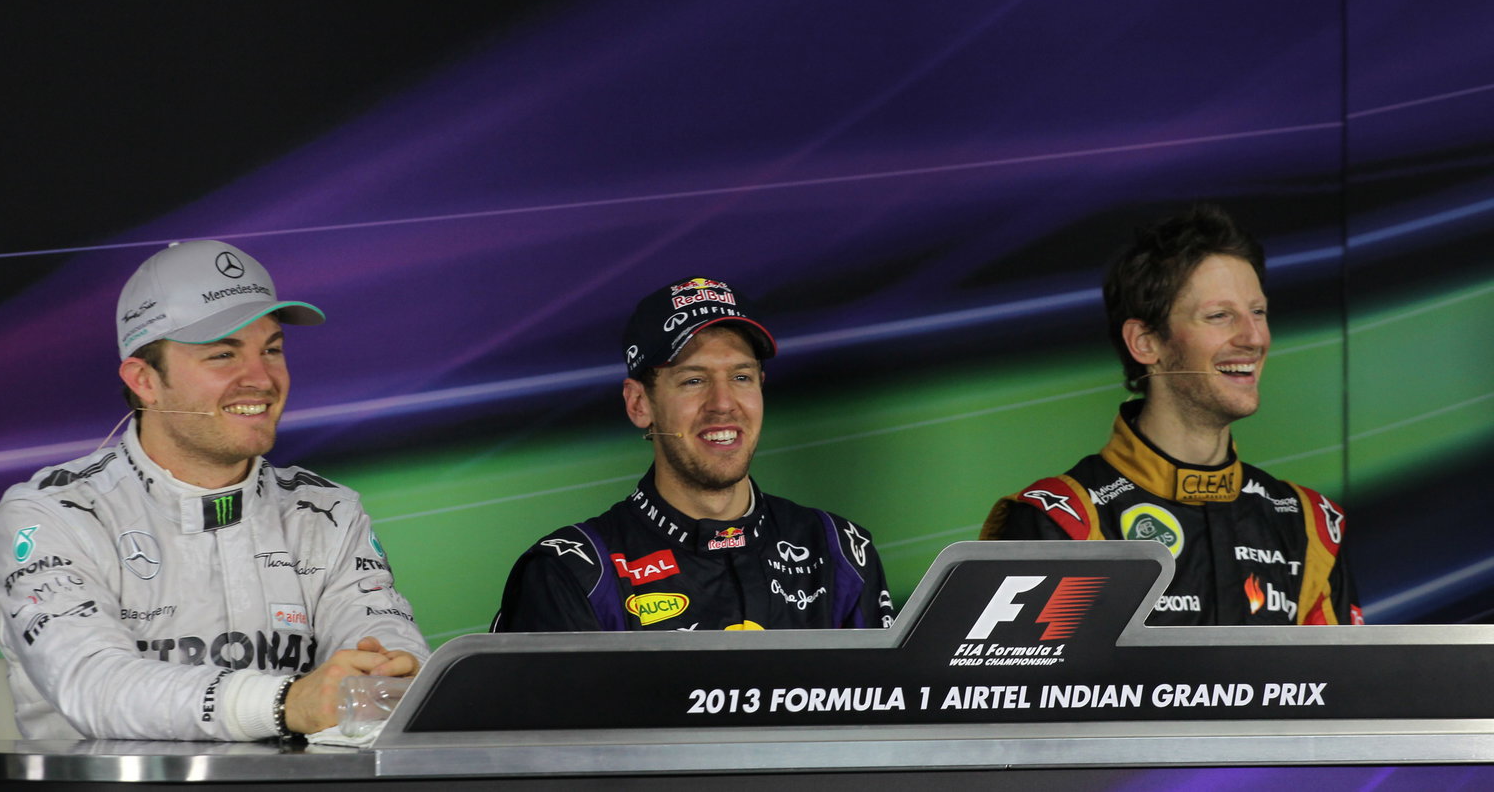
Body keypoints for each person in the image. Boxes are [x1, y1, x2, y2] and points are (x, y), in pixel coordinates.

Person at [0, 240, 428, 741]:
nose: (261, 378)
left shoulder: (327, 512)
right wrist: (288, 704)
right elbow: (96, 685)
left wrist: (392, 673)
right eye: (222, 354)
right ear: (144, 380)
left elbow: (386, 651)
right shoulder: (51, 516)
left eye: (271, 349)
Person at [980, 205, 1362, 626]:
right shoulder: (1065, 525)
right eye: (1220, 316)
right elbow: (1026, 693)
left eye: (1258, 312)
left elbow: (1340, 691)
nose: (1254, 338)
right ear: (1145, 343)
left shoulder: (1306, 527)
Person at [494, 277, 895, 632]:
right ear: (639, 404)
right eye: (694, 380)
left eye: (741, 377)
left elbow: (890, 707)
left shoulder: (839, 548)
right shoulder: (573, 573)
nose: (723, 403)